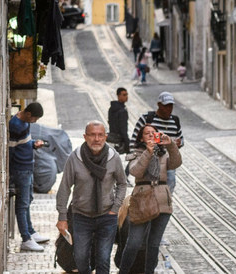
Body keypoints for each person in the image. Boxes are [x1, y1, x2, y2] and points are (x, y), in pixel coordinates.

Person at [56, 121, 128, 274]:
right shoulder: (75, 158)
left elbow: (122, 183)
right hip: (81, 216)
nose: (96, 139)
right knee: (81, 258)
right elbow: (64, 188)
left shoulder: (113, 157)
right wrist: (62, 217)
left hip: (107, 216)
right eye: (92, 135)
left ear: (105, 137)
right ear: (85, 137)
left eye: (100, 135)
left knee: (103, 259)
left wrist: (115, 208)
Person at [117, 124, 182, 273]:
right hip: (142, 202)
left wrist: (171, 145)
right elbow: (135, 171)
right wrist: (148, 152)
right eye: (147, 133)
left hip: (162, 202)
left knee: (154, 244)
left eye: (154, 133)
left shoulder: (164, 154)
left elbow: (176, 163)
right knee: (134, 242)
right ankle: (123, 271)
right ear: (141, 138)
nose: (152, 135)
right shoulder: (137, 154)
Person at [9, 102, 49, 251]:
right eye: (35, 119)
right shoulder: (16, 125)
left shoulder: (24, 123)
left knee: (28, 200)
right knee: (22, 204)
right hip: (20, 169)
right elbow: (11, 149)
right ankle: (26, 238)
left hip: (27, 166)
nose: (35, 121)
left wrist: (33, 144)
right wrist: (10, 173)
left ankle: (31, 232)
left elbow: (21, 143)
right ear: (28, 114)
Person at [131, 92, 184, 192]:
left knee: (170, 182)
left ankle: (166, 201)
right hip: (147, 157)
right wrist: (134, 156)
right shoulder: (147, 118)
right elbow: (134, 139)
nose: (168, 109)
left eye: (170, 106)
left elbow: (181, 140)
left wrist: (176, 143)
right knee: (147, 184)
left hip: (167, 159)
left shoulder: (175, 121)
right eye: (166, 106)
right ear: (159, 105)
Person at [107, 88, 131, 154]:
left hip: (112, 138)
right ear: (118, 95)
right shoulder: (122, 111)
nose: (126, 97)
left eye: (126, 95)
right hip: (120, 140)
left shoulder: (111, 108)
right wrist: (127, 143)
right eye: (124, 95)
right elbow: (123, 128)